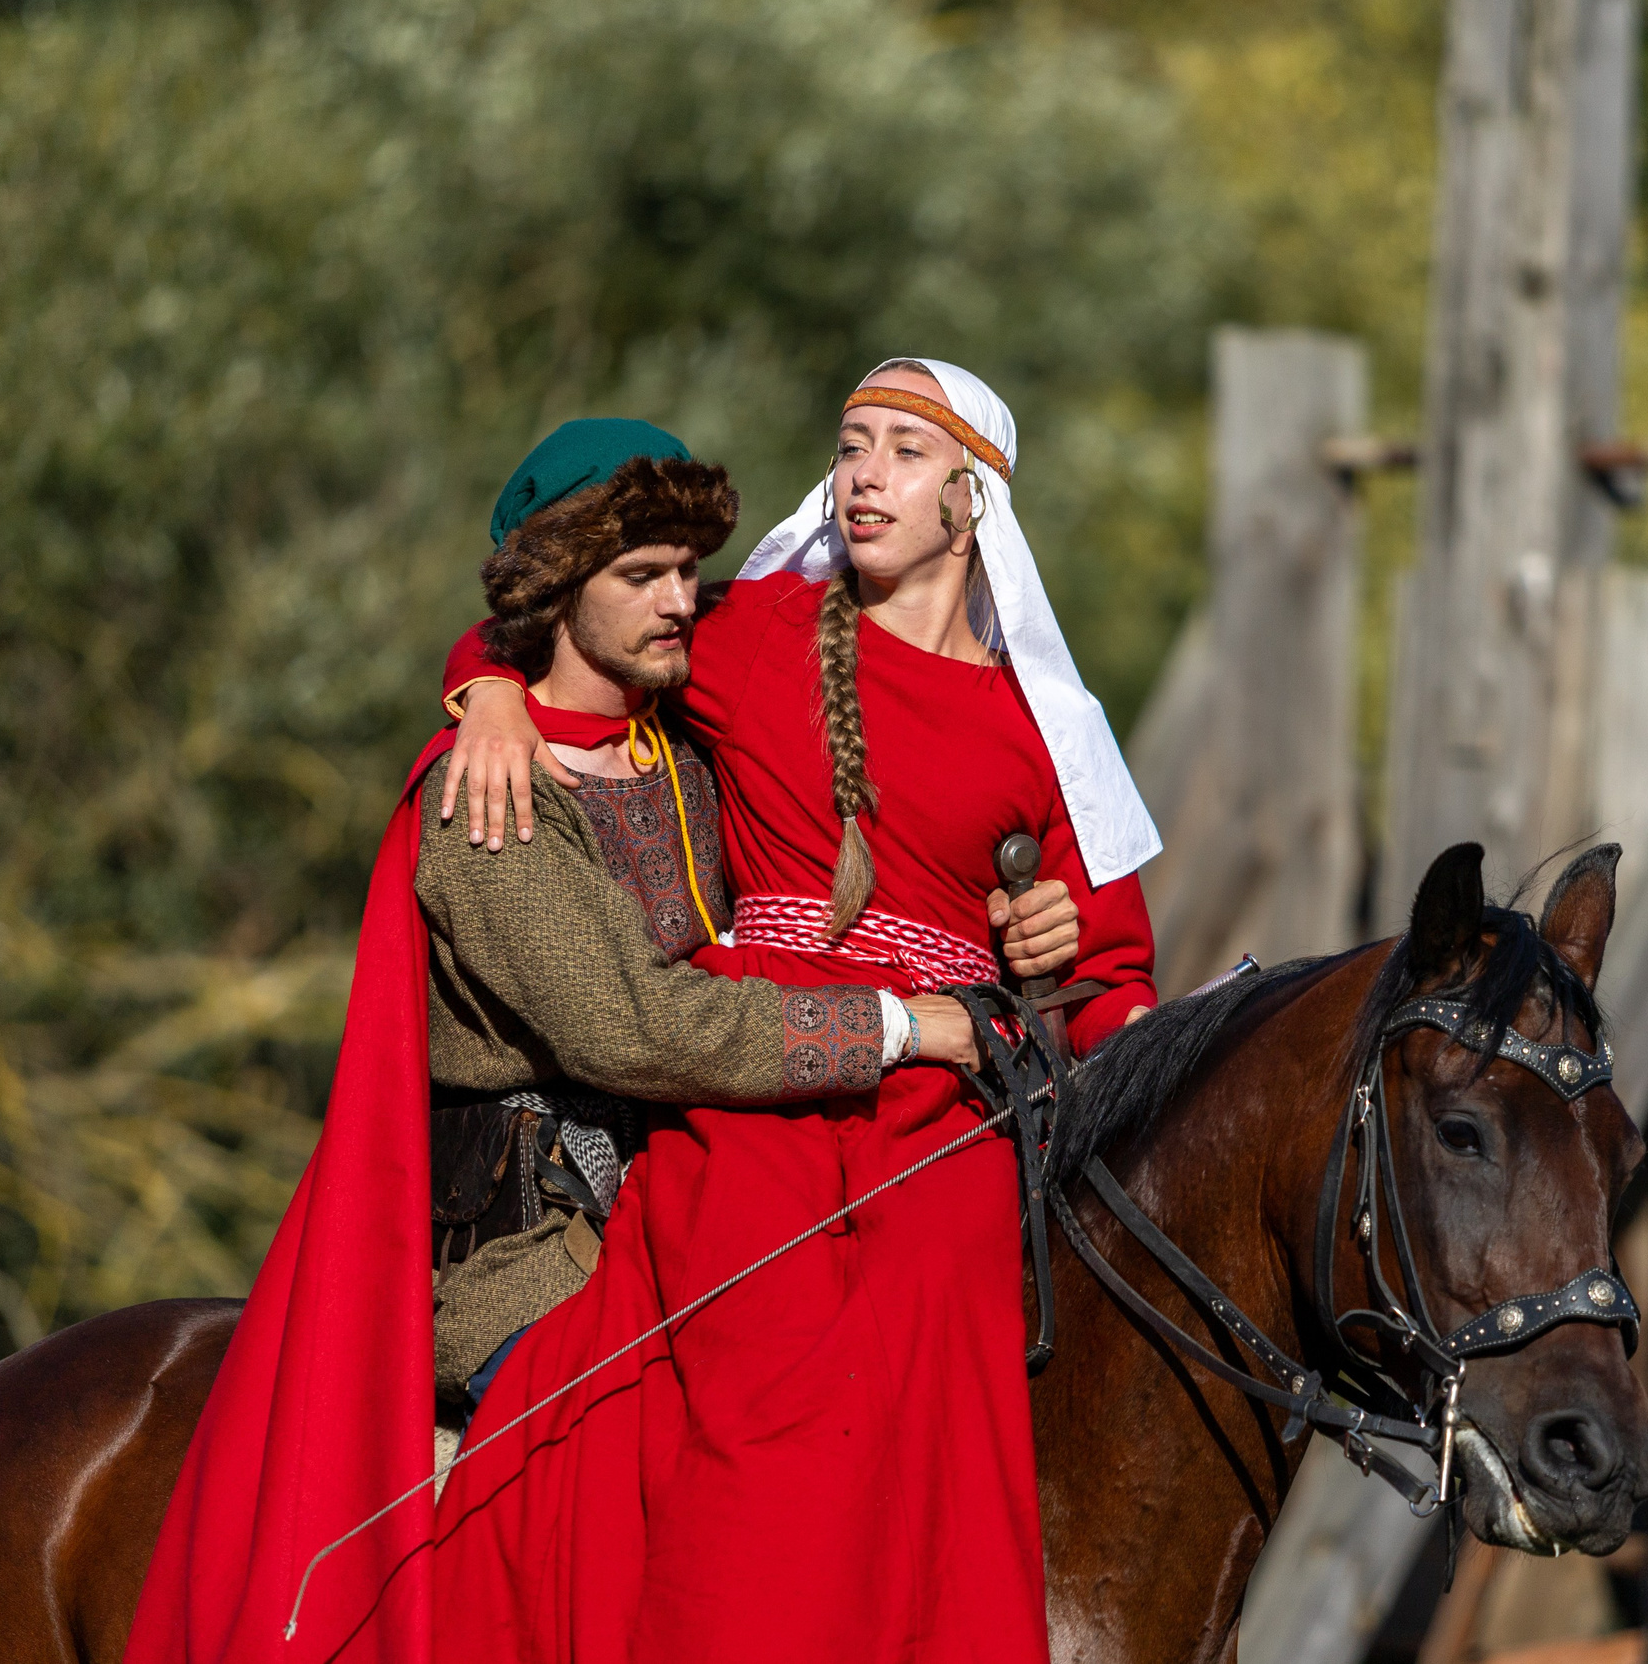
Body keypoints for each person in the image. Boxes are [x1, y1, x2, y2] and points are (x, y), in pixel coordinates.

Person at [120, 424, 1029, 1664]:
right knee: (647, 1465)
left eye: (687, 570)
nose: (681, 603)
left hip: (696, 1203)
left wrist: (1027, 911)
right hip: (529, 1259)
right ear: (558, 588)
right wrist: (896, 1027)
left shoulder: (685, 748)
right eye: (642, 576)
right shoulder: (486, 802)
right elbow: (634, 1028)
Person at [428, 358, 1161, 1664]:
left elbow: (1115, 984)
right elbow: (572, 616)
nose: (864, 473)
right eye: (851, 444)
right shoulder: (753, 631)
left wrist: (1049, 958)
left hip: (945, 1105)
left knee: (944, 1375)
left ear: (974, 499)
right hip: (748, 1082)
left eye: (904, 452)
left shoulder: (1048, 724)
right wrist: (481, 689)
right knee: (750, 1391)